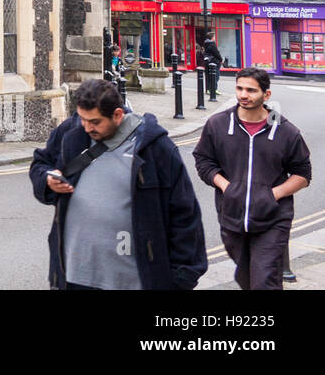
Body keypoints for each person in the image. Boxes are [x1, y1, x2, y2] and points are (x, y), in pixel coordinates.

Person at [30, 78, 207, 289]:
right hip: (74, 277)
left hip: (133, 280)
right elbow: (40, 164)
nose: (86, 127)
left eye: (95, 122)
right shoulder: (72, 132)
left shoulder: (156, 149)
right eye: (82, 118)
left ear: (117, 114)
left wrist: (182, 278)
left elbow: (184, 214)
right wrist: (47, 180)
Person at [192, 67, 312, 290]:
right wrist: (227, 187)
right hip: (232, 218)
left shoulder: (285, 131)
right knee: (246, 279)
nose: (243, 95)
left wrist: (272, 194)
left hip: (273, 219)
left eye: (251, 90)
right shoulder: (218, 125)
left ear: (266, 95)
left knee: (264, 280)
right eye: (239, 88)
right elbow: (203, 161)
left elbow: (303, 174)